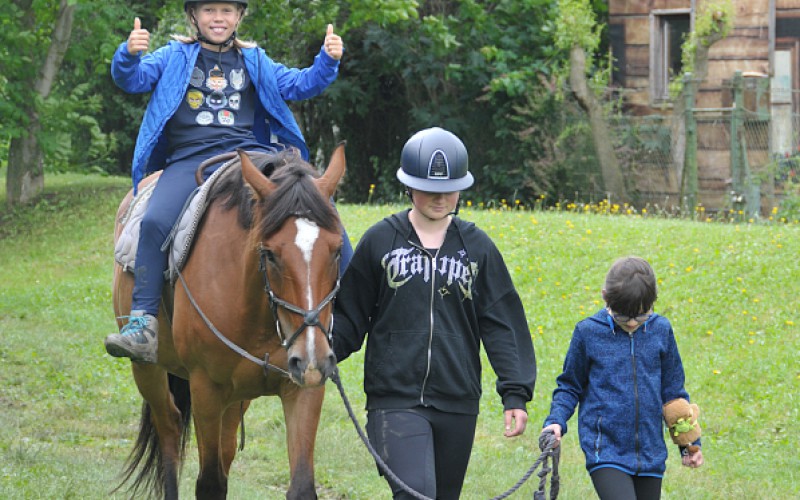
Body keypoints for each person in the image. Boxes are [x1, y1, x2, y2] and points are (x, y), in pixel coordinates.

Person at [104, 0, 351, 363]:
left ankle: (348, 312)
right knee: (155, 221)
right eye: (208, 11)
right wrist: (127, 54)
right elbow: (132, 79)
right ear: (193, 16)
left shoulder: (255, 59)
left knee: (323, 211)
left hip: (252, 157)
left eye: (226, 11)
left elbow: (299, 85)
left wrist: (327, 61)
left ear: (239, 17)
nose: (218, 18)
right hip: (190, 158)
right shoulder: (173, 55)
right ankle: (142, 322)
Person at [332, 127, 537, 499]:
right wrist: (323, 351)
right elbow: (349, 313)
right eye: (428, 187)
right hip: (393, 400)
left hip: (458, 401)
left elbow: (502, 323)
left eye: (448, 188)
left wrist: (515, 394)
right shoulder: (380, 240)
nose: (439, 197)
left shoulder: (478, 248)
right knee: (416, 494)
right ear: (408, 186)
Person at [541, 256, 703, 500]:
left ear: (653, 303)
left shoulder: (661, 330)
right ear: (605, 296)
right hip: (606, 451)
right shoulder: (588, 332)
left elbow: (674, 394)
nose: (631, 323)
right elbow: (569, 386)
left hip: (650, 453)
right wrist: (556, 421)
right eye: (622, 316)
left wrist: (688, 443)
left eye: (641, 316)